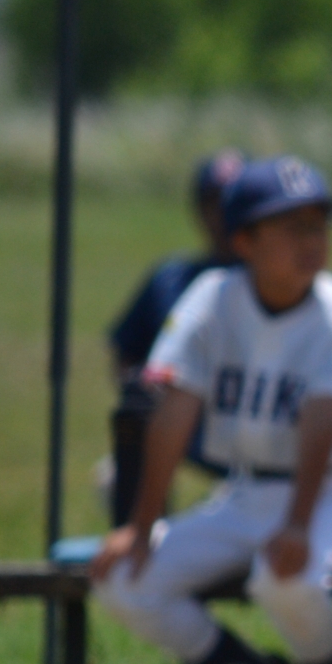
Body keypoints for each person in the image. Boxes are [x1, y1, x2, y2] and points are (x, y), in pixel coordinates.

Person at [91, 156, 332, 664]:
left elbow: (322, 422)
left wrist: (299, 525)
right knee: (124, 581)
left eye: (320, 225)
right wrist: (141, 525)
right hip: (243, 492)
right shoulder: (211, 297)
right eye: (291, 228)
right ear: (243, 241)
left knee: (283, 579)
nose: (313, 241)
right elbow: (173, 407)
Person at [103, 151, 246, 523]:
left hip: (249, 427)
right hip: (180, 420)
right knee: (117, 467)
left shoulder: (272, 287)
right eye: (213, 202)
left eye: (234, 203)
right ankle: (143, 541)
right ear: (197, 210)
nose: (223, 216)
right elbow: (127, 354)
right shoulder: (171, 278)